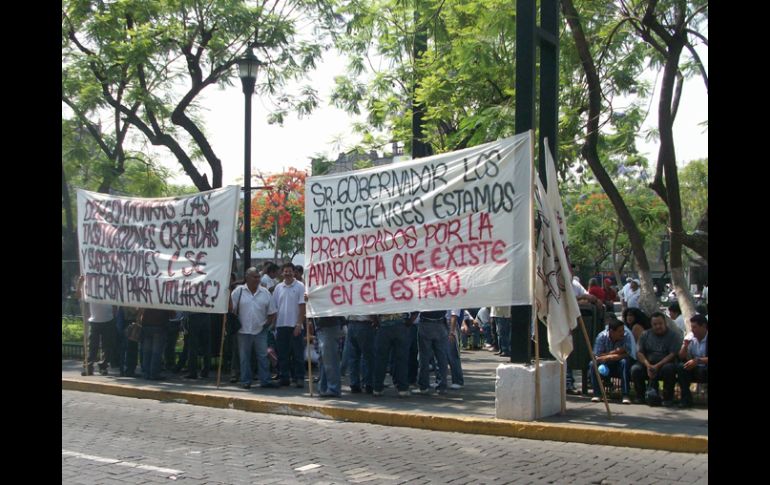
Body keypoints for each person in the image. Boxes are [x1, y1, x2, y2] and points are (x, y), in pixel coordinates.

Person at [232, 267, 278, 389]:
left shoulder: (265, 292)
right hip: (243, 330)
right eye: (255, 277)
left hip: (260, 330)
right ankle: (245, 381)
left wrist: (266, 325)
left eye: (258, 277)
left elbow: (272, 312)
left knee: (263, 356)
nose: (258, 279)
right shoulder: (238, 291)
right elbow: (231, 309)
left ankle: (265, 380)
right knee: (244, 357)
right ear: (247, 277)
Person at [631, 312, 682, 406]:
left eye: (660, 323)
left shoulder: (673, 335)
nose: (658, 326)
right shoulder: (645, 334)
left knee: (669, 369)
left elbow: (672, 354)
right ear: (651, 324)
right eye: (655, 324)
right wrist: (648, 365)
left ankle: (667, 398)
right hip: (648, 364)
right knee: (635, 369)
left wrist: (657, 366)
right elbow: (639, 352)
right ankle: (640, 397)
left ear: (665, 323)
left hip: (665, 364)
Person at [272, 262, 307, 388]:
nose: (287, 273)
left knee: (298, 354)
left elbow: (302, 306)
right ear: (282, 273)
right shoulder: (278, 288)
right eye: (285, 271)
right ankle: (284, 377)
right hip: (281, 326)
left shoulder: (300, 286)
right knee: (282, 354)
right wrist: (274, 325)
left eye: (290, 271)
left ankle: (299, 377)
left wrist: (299, 324)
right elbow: (274, 307)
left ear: (294, 272)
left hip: (295, 325)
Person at [589, 317, 636, 404]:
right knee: (592, 364)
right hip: (605, 365)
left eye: (623, 330)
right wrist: (616, 354)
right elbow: (598, 356)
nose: (622, 333)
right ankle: (597, 394)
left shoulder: (626, 336)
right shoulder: (601, 337)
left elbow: (627, 354)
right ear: (611, 331)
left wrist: (608, 356)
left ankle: (625, 394)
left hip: (619, 364)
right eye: (620, 331)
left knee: (624, 362)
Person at [676, 313, 708, 408]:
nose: (692, 330)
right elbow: (681, 357)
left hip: (705, 367)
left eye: (695, 327)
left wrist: (698, 361)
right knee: (681, 367)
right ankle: (686, 399)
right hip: (695, 368)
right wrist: (685, 345)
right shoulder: (691, 337)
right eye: (691, 327)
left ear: (703, 326)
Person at [139, 308, 174, 380]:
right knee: (156, 352)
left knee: (147, 351)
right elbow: (172, 314)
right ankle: (154, 373)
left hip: (146, 325)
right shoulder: (164, 299)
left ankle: (146, 373)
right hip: (159, 326)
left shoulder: (148, 298)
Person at [314, 315, 345, 397]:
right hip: (323, 326)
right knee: (324, 359)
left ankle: (333, 388)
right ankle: (324, 387)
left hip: (330, 325)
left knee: (330, 359)